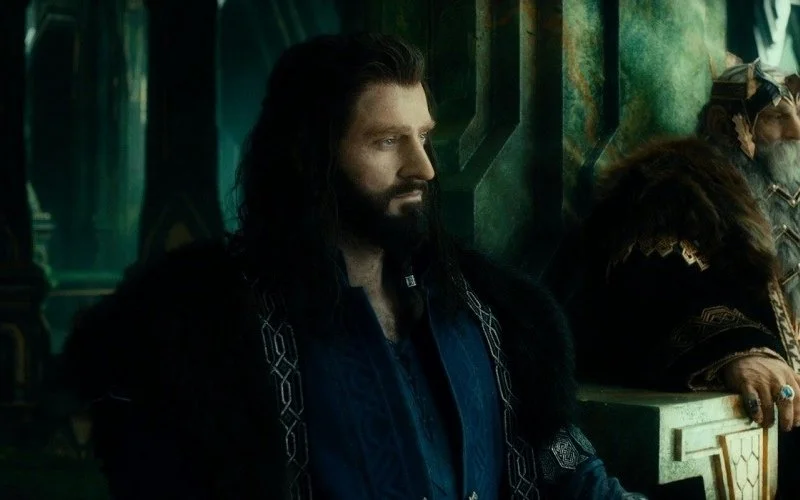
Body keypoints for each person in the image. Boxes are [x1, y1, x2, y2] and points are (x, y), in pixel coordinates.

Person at [62, 32, 642, 499]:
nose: (423, 168)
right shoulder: (207, 332)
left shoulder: (496, 312)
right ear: (311, 156)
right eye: (387, 141)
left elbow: (567, 468)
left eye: (423, 137)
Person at [545, 59, 800, 497]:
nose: (796, 130)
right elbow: (654, 279)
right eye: (776, 116)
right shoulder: (673, 185)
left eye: (796, 115)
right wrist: (736, 349)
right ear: (723, 122)